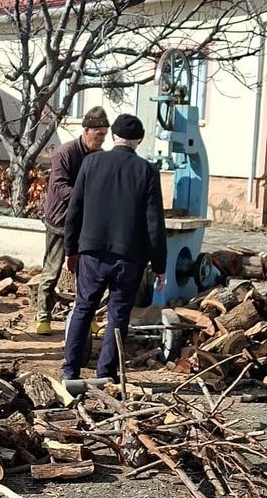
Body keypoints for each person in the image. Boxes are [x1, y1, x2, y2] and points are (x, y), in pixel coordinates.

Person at [61, 114, 167, 381]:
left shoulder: (91, 162)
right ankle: (105, 373)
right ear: (139, 140)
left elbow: (75, 210)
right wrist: (160, 265)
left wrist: (70, 250)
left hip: (92, 252)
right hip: (129, 257)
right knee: (118, 315)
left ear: (112, 136)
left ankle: (69, 370)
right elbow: (154, 221)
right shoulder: (147, 171)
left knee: (83, 308)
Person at [35, 106, 110, 335]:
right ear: (86, 130)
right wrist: (87, 197)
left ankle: (87, 316)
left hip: (86, 223)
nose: (101, 141)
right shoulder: (65, 153)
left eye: (104, 136)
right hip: (60, 221)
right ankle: (42, 316)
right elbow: (59, 187)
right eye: (98, 136)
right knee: (52, 269)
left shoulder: (99, 156)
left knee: (86, 273)